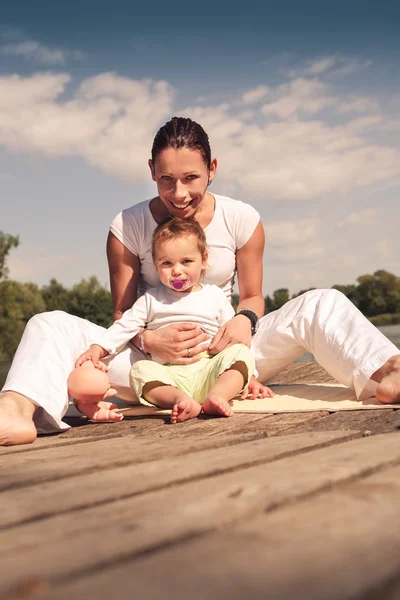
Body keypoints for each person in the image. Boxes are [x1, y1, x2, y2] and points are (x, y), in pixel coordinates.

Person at [1, 116, 399, 446]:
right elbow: (122, 312)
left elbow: (254, 296)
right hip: (149, 366)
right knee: (48, 323)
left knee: (321, 302)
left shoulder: (242, 218)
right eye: (166, 180)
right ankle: (16, 412)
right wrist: (148, 340)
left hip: (225, 356)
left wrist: (244, 320)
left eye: (191, 177)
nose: (179, 193)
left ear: (212, 168)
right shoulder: (127, 225)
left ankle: (387, 372)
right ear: (152, 172)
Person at [74, 217, 273, 423]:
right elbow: (125, 325)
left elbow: (233, 338)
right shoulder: (151, 299)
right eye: (167, 263)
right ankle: (181, 400)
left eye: (186, 261)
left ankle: (218, 396)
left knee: (239, 352)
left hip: (210, 369)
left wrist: (251, 377)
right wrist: (98, 348)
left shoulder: (214, 296)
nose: (177, 270)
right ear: (156, 263)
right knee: (141, 370)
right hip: (169, 374)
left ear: (203, 259)